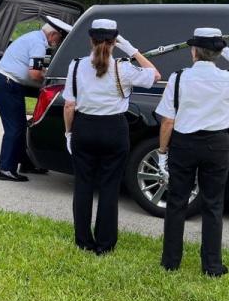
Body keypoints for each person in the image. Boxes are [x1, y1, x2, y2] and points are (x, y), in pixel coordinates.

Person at [156, 27, 229, 277]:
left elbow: (167, 121)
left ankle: (171, 261)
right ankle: (212, 265)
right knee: (213, 204)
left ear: (193, 51)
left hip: (184, 143)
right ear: (218, 53)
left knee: (177, 202)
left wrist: (162, 151)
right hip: (216, 144)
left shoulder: (179, 78)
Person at [62, 19, 159, 255]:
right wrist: (131, 49)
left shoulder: (75, 66)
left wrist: (68, 133)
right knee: (109, 187)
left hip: (84, 127)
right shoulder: (123, 68)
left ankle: (83, 240)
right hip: (114, 129)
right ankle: (105, 244)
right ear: (115, 41)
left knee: (83, 185)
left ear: (90, 39)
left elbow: (69, 105)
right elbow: (154, 74)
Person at [0, 16, 72, 182]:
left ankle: (26, 163)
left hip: (7, 82)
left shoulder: (34, 37)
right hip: (8, 84)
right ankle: (6, 169)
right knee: (14, 128)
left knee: (20, 126)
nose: (59, 42)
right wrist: (47, 77)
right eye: (60, 38)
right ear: (53, 35)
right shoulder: (38, 44)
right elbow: (34, 74)